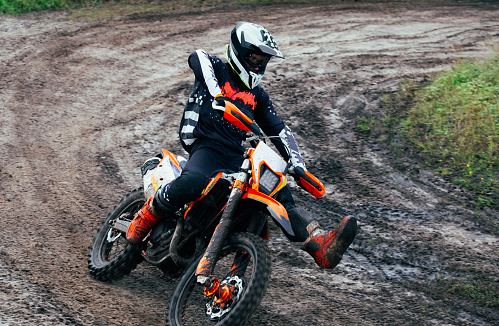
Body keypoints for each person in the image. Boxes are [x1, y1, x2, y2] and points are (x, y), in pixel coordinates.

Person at [127, 22, 357, 269]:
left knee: (277, 189)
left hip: (237, 156)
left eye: (263, 59)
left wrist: (298, 165)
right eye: (255, 56)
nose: (259, 64)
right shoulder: (217, 69)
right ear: (239, 51)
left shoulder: (258, 95)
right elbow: (197, 57)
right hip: (208, 146)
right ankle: (147, 214)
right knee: (193, 182)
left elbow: (280, 130)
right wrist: (217, 95)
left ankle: (319, 244)